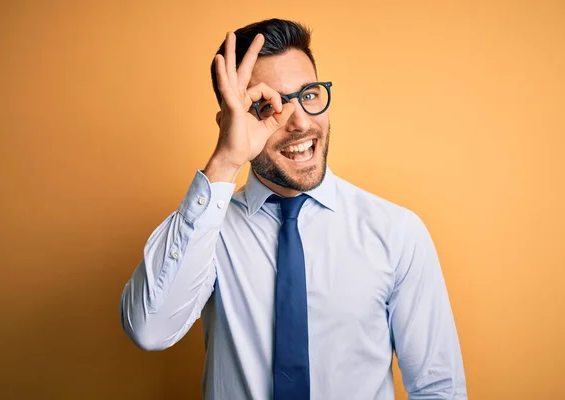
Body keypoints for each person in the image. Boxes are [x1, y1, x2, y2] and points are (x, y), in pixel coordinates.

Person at [120, 18, 467, 400]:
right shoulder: (208, 231)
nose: (300, 121)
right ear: (232, 121)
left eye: (310, 94)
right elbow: (150, 329)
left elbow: (438, 388)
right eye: (270, 105)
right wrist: (224, 161)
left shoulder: (396, 232)